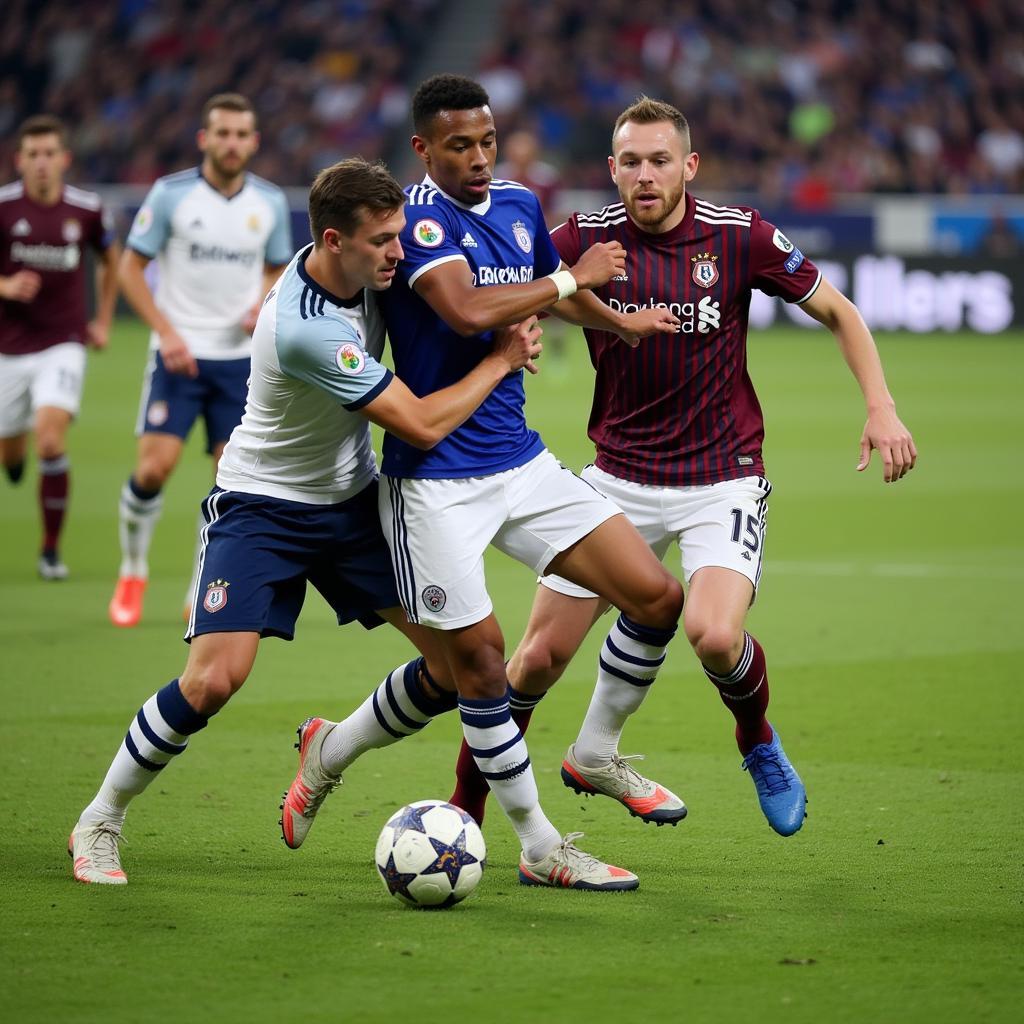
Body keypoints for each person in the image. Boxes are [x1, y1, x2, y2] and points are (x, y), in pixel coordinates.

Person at [448, 96, 918, 837]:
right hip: (614, 480)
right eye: (630, 162)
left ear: (689, 166)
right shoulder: (585, 238)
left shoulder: (739, 237)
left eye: (659, 160)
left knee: (715, 636)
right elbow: (514, 286)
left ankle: (756, 739)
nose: (644, 175)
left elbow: (839, 312)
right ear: (611, 169)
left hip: (720, 477)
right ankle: (463, 812)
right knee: (535, 658)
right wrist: (526, 320)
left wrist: (881, 405)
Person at [67, 157, 545, 886]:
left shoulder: (369, 273)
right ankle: (100, 818)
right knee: (213, 681)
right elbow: (417, 424)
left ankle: (329, 749)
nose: (399, 252)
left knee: (457, 669)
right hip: (263, 508)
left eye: (397, 236)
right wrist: (501, 360)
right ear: (331, 240)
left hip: (353, 502)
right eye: (382, 240)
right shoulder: (305, 326)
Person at [366, 74, 690, 891]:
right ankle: (542, 848)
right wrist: (576, 278)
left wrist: (619, 321)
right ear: (423, 150)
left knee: (655, 595)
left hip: (519, 462)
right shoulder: (416, 221)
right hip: (434, 481)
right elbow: (471, 312)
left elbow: (554, 292)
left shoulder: (512, 203)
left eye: (485, 142)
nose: (478, 159)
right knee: (476, 670)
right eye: (458, 146)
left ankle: (594, 753)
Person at [109, 93, 293, 628]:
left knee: (227, 482)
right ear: (204, 139)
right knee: (153, 468)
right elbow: (129, 268)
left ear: (253, 142)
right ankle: (133, 567)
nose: (232, 143)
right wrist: (166, 333)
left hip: (239, 364)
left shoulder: (269, 203)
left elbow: (277, 267)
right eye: (223, 133)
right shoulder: (171, 196)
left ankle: (197, 586)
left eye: (242, 135)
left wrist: (260, 303)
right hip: (179, 353)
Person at [0, 115, 121, 580]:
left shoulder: (86, 210)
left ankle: (50, 550)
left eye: (50, 153)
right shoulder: (5, 208)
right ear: (20, 161)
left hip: (62, 343)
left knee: (50, 438)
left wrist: (103, 320)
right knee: (11, 454)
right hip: (10, 348)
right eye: (33, 155)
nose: (42, 163)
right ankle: (14, 460)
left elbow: (112, 261)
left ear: (64, 158)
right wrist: (7, 286)